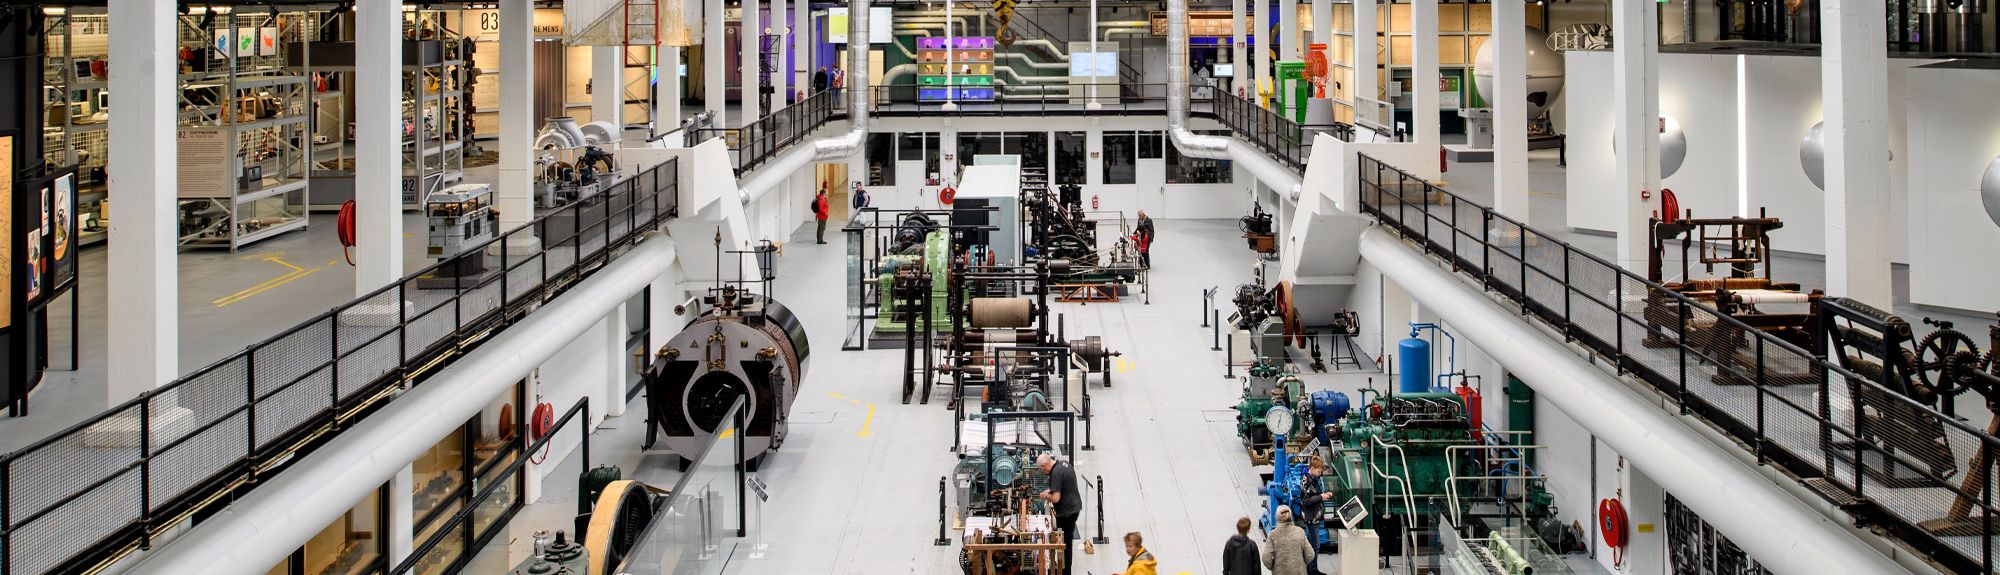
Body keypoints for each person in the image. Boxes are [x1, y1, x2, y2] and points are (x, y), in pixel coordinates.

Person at [1038, 454, 1084, 575]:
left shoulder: (1055, 473)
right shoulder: (1064, 465)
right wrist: (1051, 490)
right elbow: (1064, 487)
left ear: (1045, 465)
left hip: (1066, 513)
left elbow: (1056, 498)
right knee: (1067, 541)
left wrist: (1045, 496)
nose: (1041, 472)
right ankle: (1065, 569)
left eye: (1041, 469)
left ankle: (1065, 571)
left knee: (1064, 543)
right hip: (1074, 508)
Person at [1262, 506, 1313, 575]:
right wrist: (1300, 564)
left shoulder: (1273, 535)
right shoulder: (1300, 531)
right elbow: (1310, 555)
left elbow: (1266, 558)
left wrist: (1274, 567)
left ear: (1277, 517)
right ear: (1290, 516)